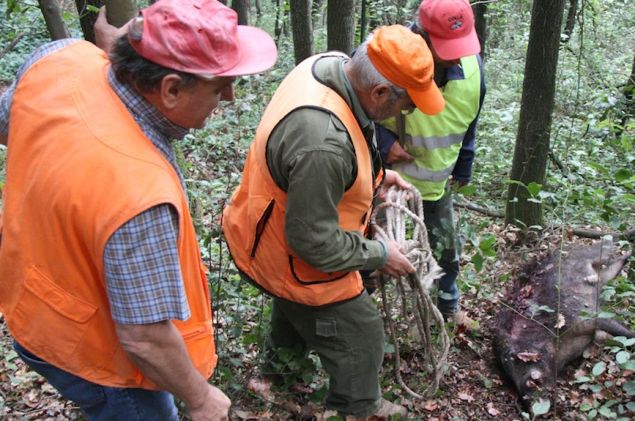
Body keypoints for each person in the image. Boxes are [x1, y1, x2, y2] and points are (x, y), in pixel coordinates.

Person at [0, 1, 276, 420]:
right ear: (170, 89)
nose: (230, 97)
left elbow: (12, 125)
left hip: (29, 301)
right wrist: (200, 398)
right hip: (90, 353)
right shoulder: (137, 192)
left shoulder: (58, 60)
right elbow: (145, 339)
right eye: (220, 86)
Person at [222, 25, 444, 419]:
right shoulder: (322, 143)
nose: (405, 113)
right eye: (406, 105)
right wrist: (379, 254)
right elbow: (312, 241)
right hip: (289, 249)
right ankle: (358, 407)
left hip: (269, 234)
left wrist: (376, 178)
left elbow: (343, 154)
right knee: (362, 331)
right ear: (379, 93)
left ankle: (276, 378)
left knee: (295, 306)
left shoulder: (331, 68)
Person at [375, 0, 486, 328]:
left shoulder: (473, 69)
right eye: (445, 47)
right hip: (381, 180)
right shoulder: (385, 57)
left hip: (435, 184)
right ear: (420, 34)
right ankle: (367, 313)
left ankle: (447, 307)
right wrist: (383, 145)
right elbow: (351, 109)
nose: (454, 55)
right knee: (372, 246)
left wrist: (464, 164)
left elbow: (470, 121)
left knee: (445, 248)